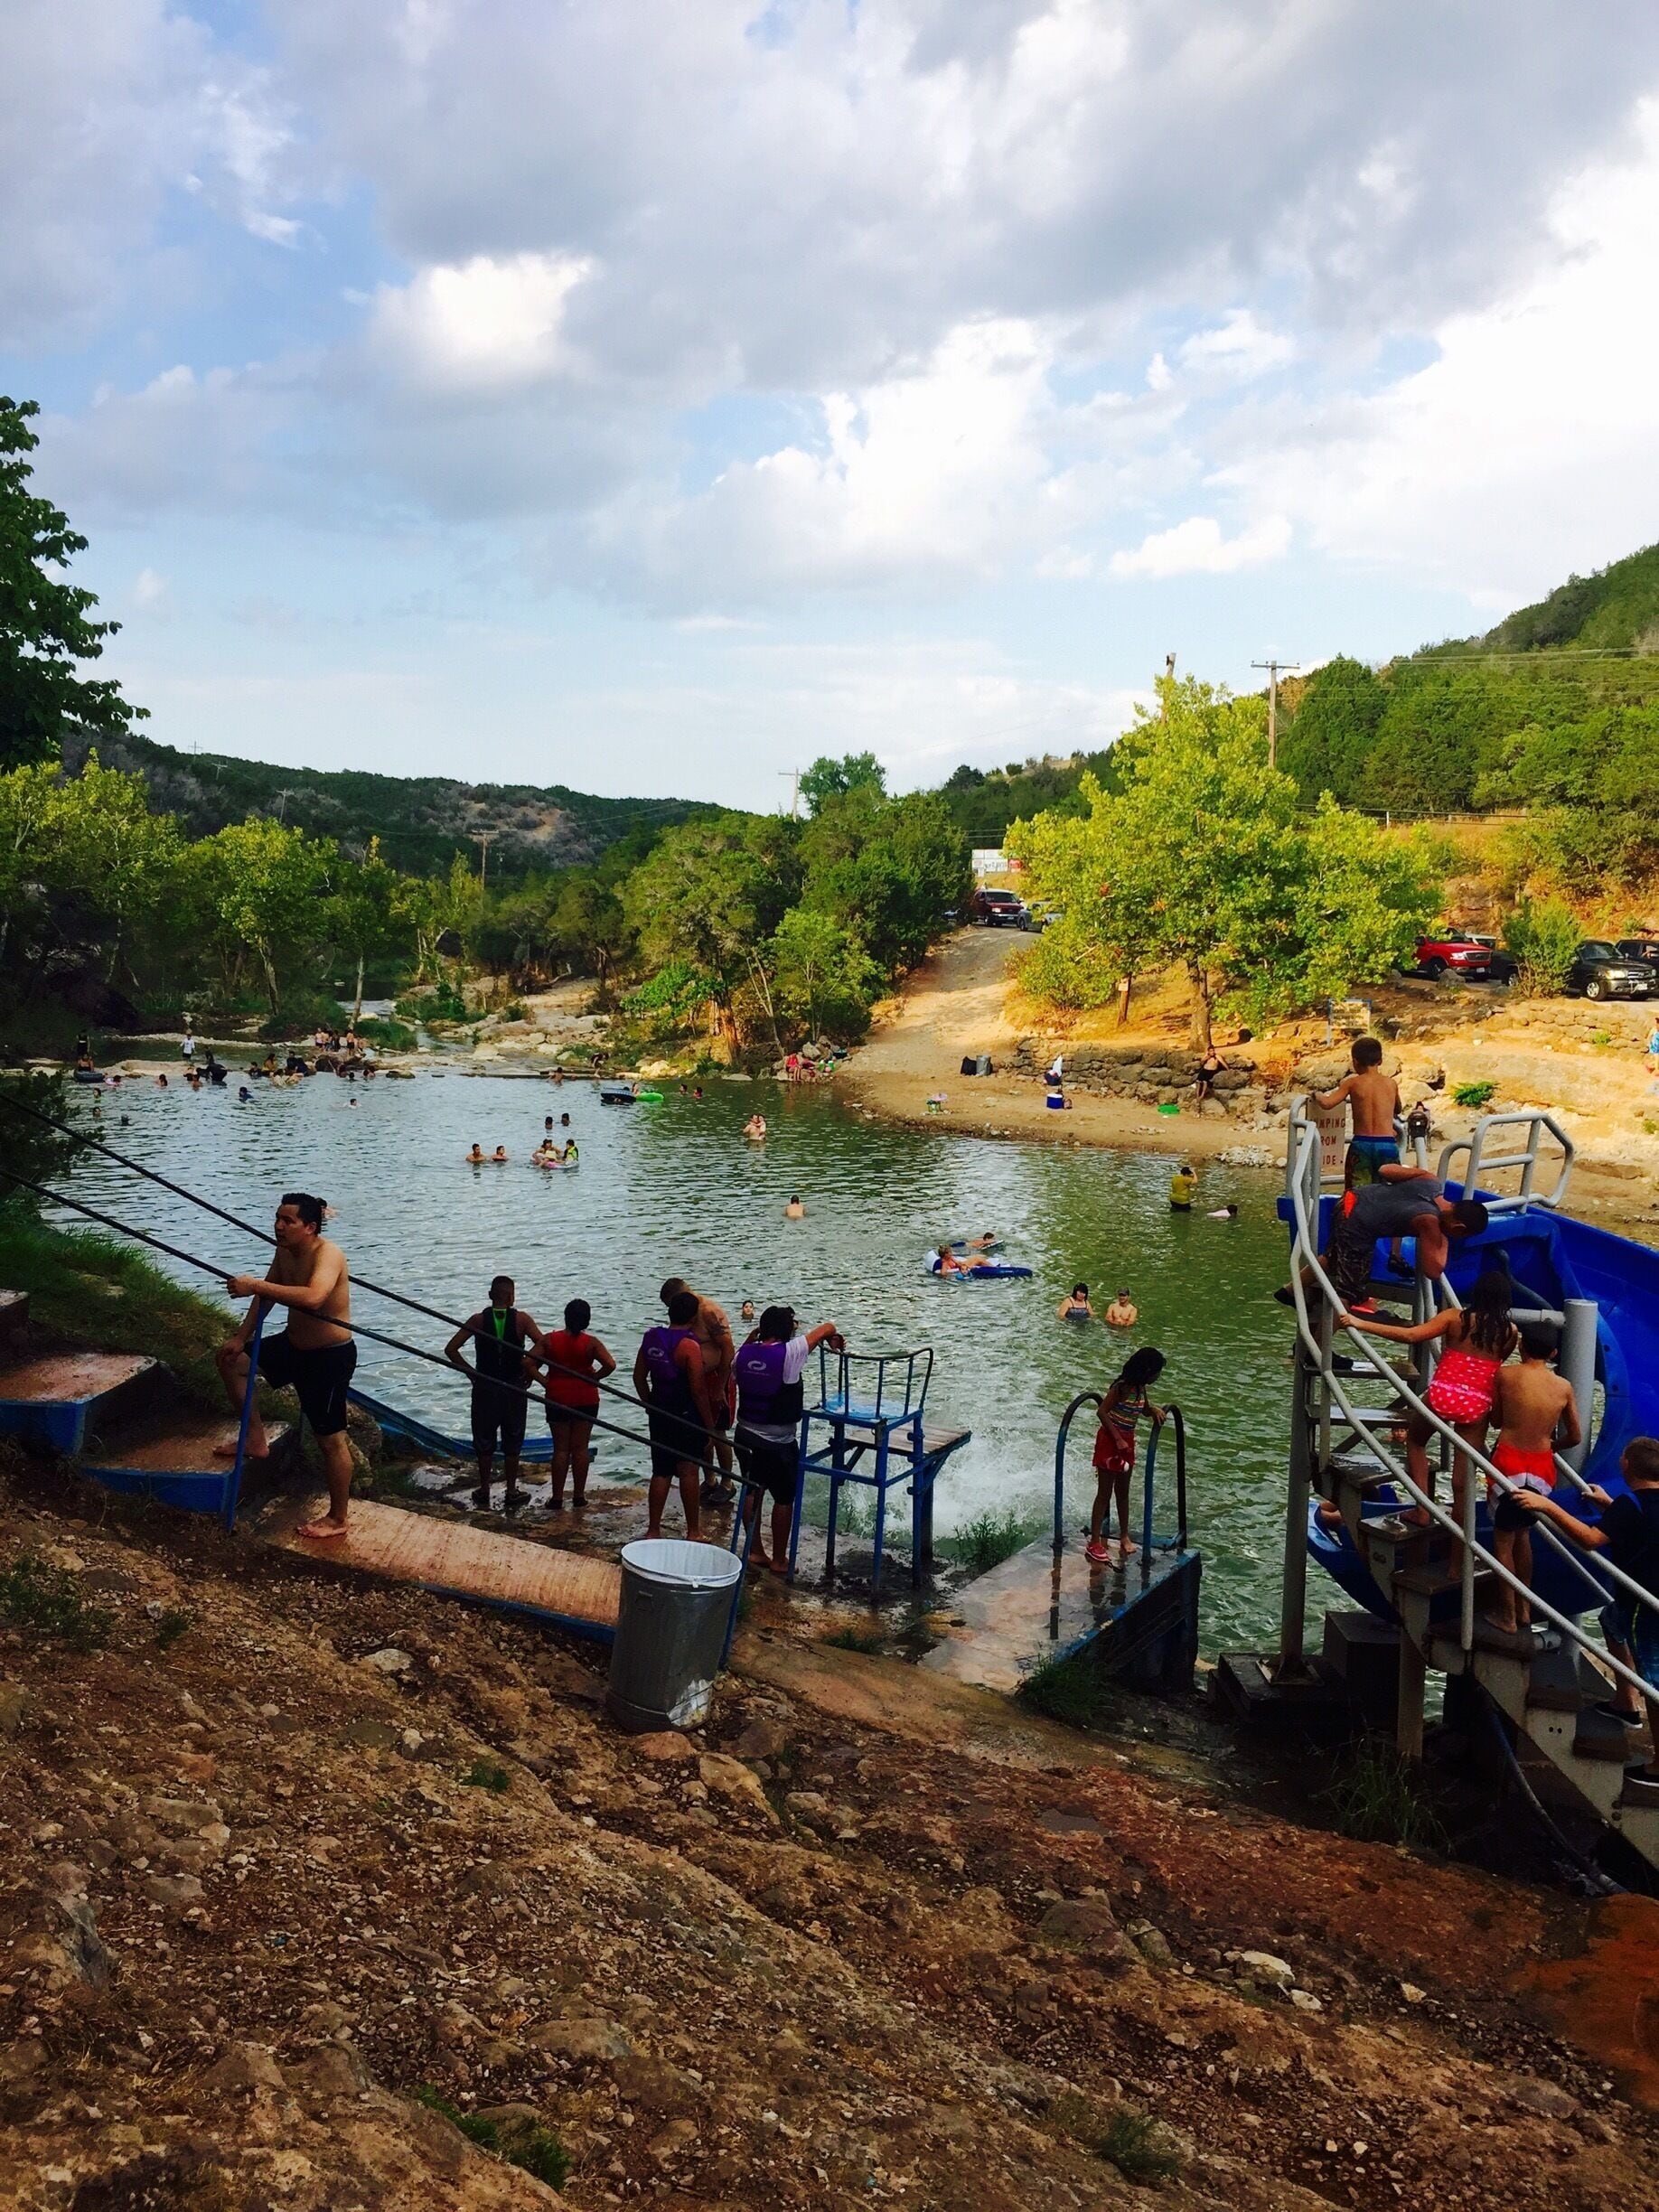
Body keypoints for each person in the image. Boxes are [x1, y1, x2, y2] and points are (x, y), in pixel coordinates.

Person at [1516, 1437, 1659, 1784]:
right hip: (1632, 1600)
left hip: (1646, 1603)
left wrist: (1547, 1506)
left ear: (1625, 1465)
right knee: (1610, 1622)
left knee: (1653, 1679)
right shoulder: (1632, 1505)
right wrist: (1607, 1504)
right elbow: (1640, 1522)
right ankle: (1626, 1704)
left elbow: (1591, 1539)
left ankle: (1658, 1767)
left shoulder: (1631, 1504)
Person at [217, 1194, 356, 1542]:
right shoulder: (284, 1250)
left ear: (310, 1227)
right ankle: (255, 1439)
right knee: (230, 1361)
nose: (279, 1226)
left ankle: (339, 1517)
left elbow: (313, 1297)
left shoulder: (329, 1254)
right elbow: (265, 1297)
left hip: (328, 1356)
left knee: (330, 1441)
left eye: (288, 1221)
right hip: (292, 1345)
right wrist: (241, 1337)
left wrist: (253, 1284)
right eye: (277, 1218)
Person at [1340, 1269, 1518, 1530]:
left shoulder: (1454, 1318)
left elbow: (1412, 1335)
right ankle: (1460, 1557)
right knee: (1462, 1482)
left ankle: (1422, 1509)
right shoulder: (1509, 1332)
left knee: (1415, 1440)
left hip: (1442, 1395)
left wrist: (1361, 1323)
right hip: (1477, 1403)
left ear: (1477, 1293)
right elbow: (1497, 1364)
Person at [1278, 1164, 1488, 1312]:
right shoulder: (1429, 1221)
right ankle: (1319, 1354)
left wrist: (1420, 1172)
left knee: (1333, 1256)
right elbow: (1433, 1270)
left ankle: (1288, 1291)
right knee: (1349, 1292)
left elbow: (1385, 1170)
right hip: (1359, 1224)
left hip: (1350, 1200)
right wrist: (1445, 1241)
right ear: (1459, 1227)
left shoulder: (1431, 1181)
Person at [1486, 1324, 1580, 1636]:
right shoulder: (1564, 1386)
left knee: (1503, 1541)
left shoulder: (1506, 1375)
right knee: (1523, 1533)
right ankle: (1526, 1607)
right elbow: (1575, 1436)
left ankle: (1508, 1615)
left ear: (1521, 1347)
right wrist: (1552, 1445)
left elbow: (1496, 1419)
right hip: (1542, 1470)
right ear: (1554, 1353)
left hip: (1508, 1463)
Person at [733, 1305, 842, 1573]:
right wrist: (830, 1336)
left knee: (751, 1489)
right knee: (783, 1497)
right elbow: (828, 1326)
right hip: (778, 1441)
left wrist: (755, 1334)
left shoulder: (742, 1354)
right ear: (787, 1330)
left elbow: (735, 1365)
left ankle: (755, 1550)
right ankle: (780, 1560)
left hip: (744, 1435)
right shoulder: (790, 1352)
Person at [445, 1277, 549, 1513]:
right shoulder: (522, 1320)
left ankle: (484, 1490)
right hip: (514, 1388)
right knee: (513, 1439)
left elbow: (451, 1349)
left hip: (485, 1388)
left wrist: (472, 1373)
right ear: (512, 1297)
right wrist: (531, 1371)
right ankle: (512, 1491)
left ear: (490, 1295)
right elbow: (544, 1346)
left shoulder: (478, 1320)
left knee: (484, 1438)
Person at [634, 1290, 716, 1539]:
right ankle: (693, 1530)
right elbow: (699, 1390)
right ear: (693, 1317)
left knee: (661, 1470)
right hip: (684, 1413)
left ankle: (653, 1529)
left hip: (659, 1411)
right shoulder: (689, 1346)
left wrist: (649, 1404)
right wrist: (709, 1427)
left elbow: (638, 1377)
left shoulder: (651, 1338)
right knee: (689, 1469)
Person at [660, 1276, 736, 1504]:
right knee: (699, 1431)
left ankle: (727, 1482)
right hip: (694, 1380)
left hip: (716, 1379)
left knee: (718, 1433)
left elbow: (728, 1349)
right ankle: (709, 1479)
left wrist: (721, 1386)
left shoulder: (709, 1312)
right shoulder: (685, 1314)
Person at [1088, 1347, 1167, 1565]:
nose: (1158, 1377)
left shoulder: (1141, 1388)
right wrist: (1117, 1439)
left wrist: (1154, 1410)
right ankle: (1095, 1542)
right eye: (1157, 1373)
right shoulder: (1121, 1388)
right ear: (1147, 1370)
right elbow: (1102, 1411)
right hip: (1110, 1441)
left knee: (1123, 1492)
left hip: (1127, 1443)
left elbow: (1142, 1409)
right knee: (1104, 1492)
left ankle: (1124, 1535)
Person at [535, 1298, 616, 1508]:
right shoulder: (591, 1343)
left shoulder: (549, 1340)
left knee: (561, 1449)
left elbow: (527, 1361)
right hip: (586, 1397)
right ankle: (579, 1497)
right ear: (586, 1320)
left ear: (566, 1317)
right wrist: (594, 1378)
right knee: (581, 1448)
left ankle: (557, 1498)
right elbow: (610, 1364)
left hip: (558, 1396)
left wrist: (544, 1380)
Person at [1315, 1036, 1402, 1192]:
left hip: (1362, 1144)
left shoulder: (1352, 1083)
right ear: (1380, 1060)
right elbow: (1398, 1109)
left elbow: (1327, 1104)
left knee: (1357, 1193)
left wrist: (1316, 1095)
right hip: (1387, 1144)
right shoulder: (1391, 1083)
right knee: (1389, 1193)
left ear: (1355, 1061)